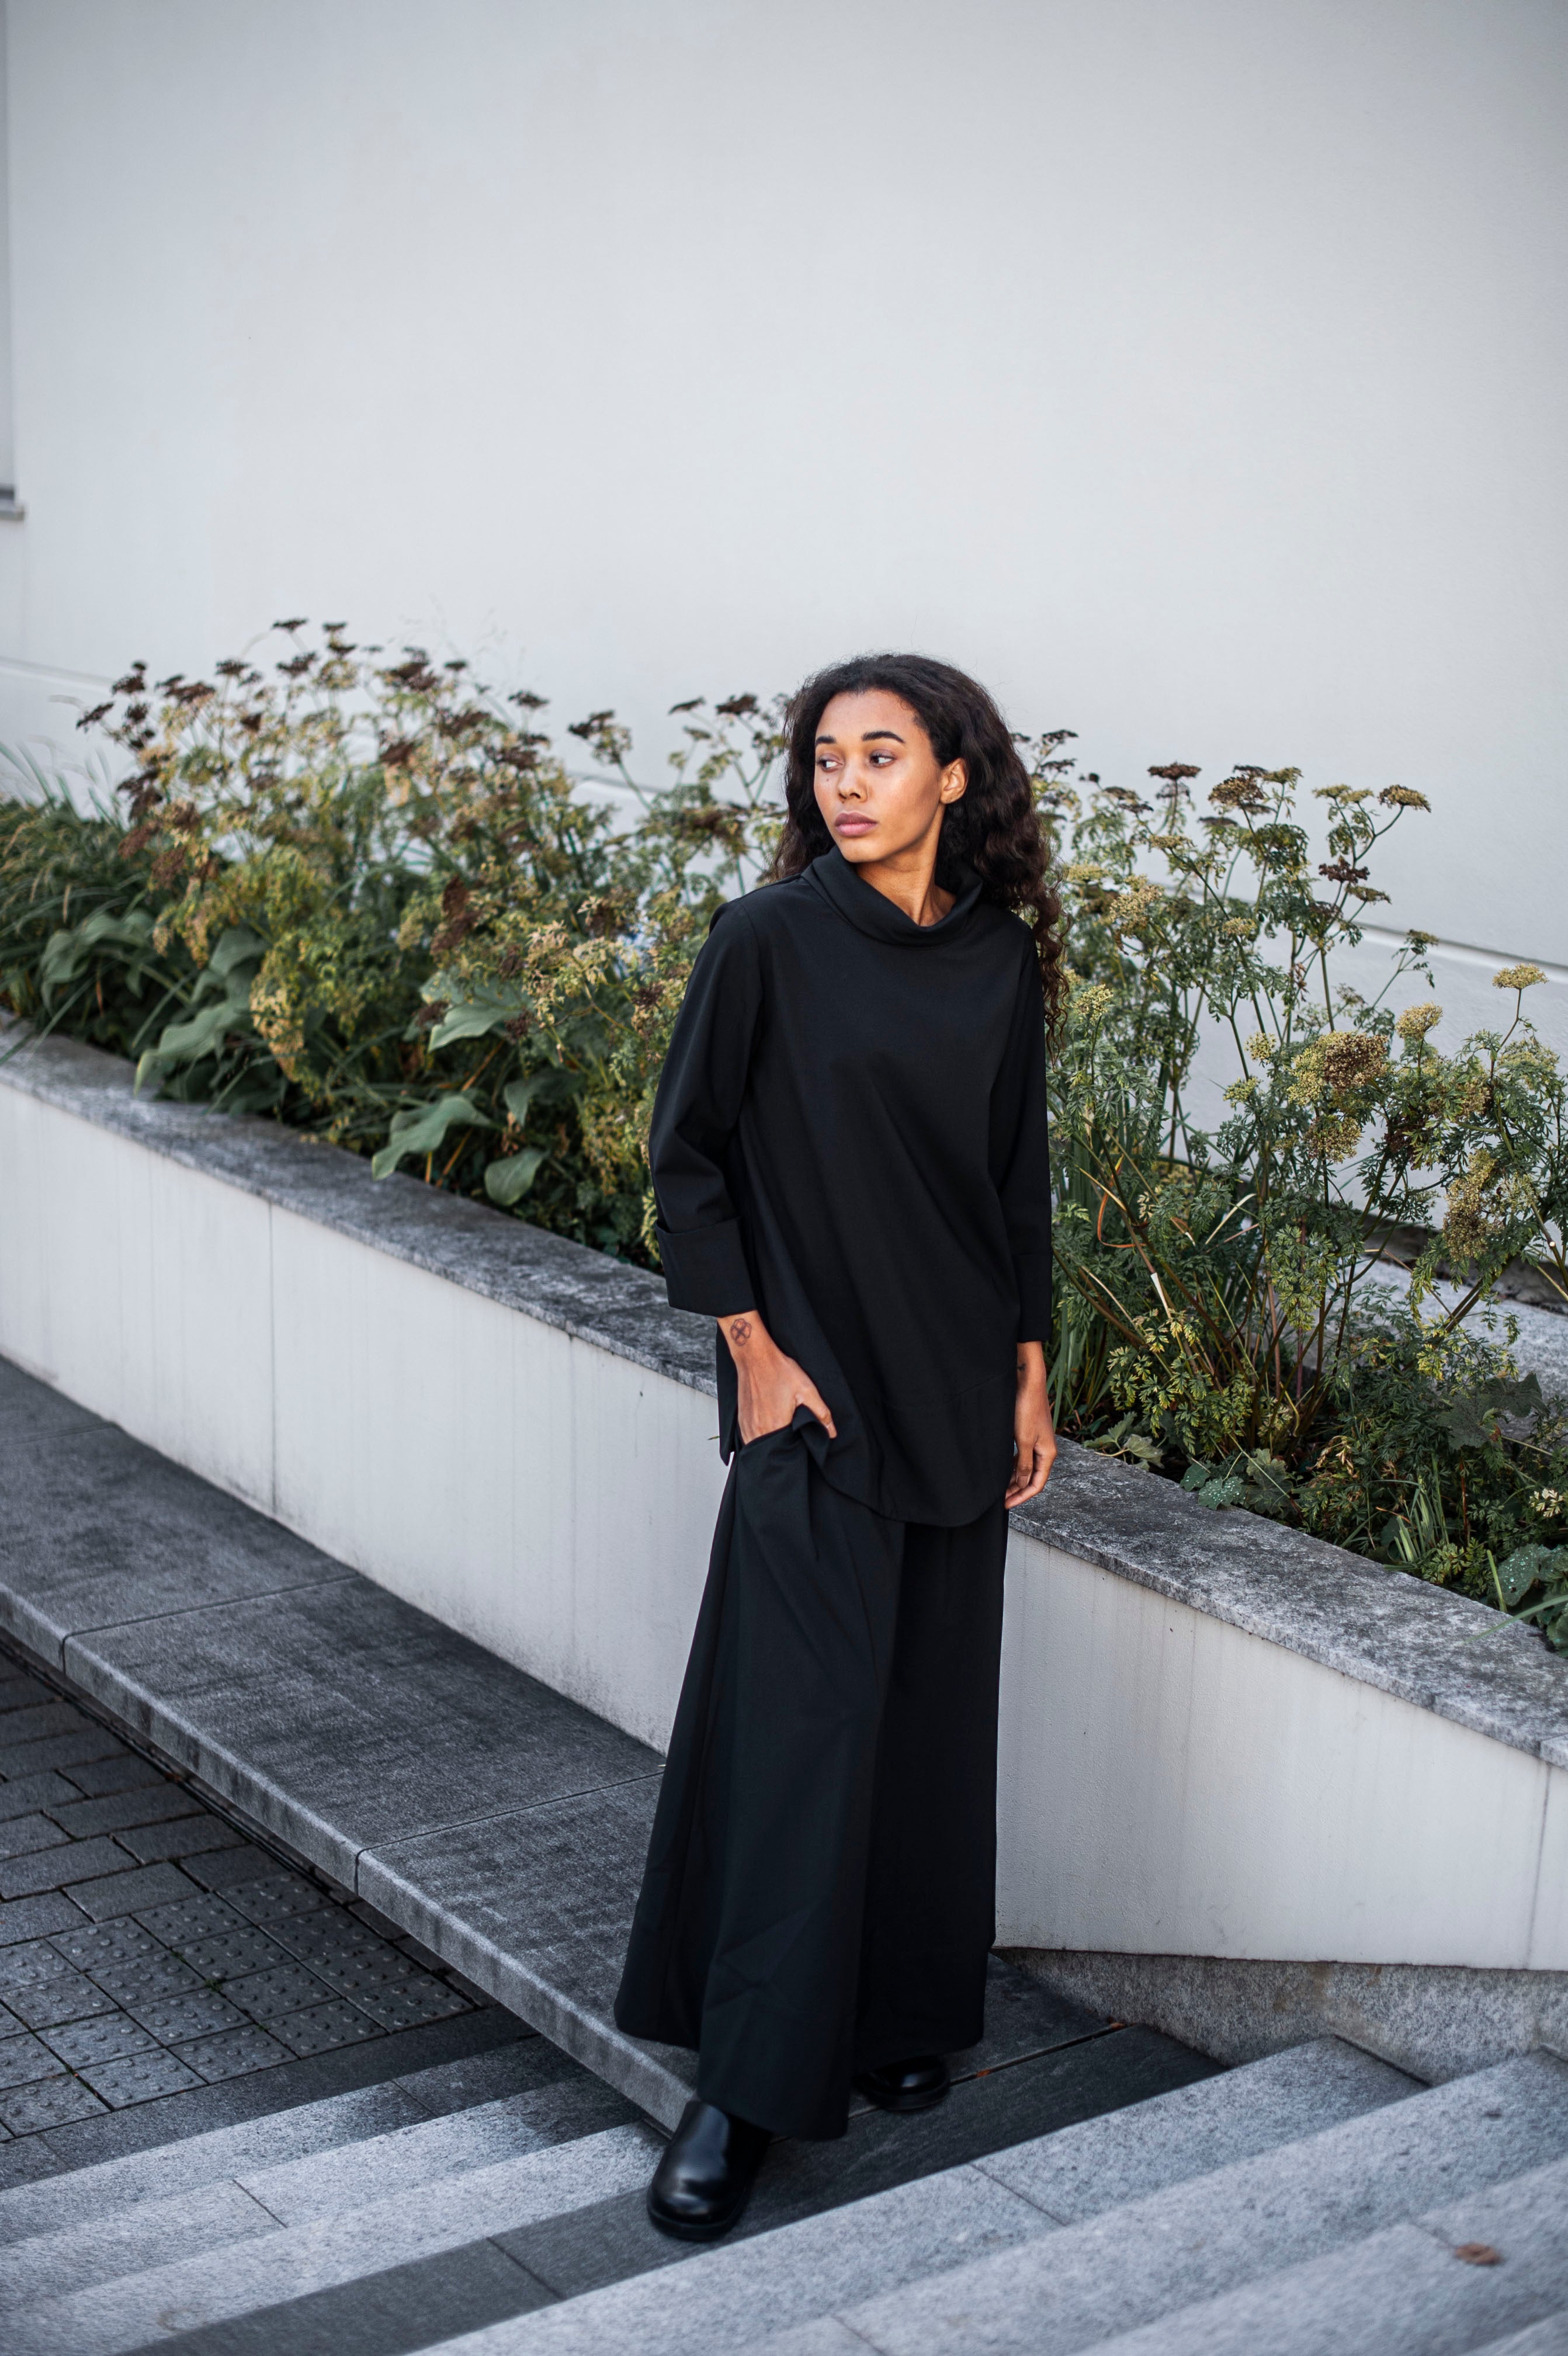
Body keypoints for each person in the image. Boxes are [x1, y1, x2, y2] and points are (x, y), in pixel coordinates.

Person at [614, 652, 1061, 2240]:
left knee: (930, 1720)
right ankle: (735, 2090)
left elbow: (1013, 1184)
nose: (845, 782)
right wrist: (750, 1352)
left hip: (956, 1389)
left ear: (955, 776)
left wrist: (1028, 1371)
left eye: (882, 754)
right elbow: (685, 1162)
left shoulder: (998, 957)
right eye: (824, 757)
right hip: (811, 1399)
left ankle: (897, 2015)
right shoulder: (767, 941)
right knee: (798, 1744)